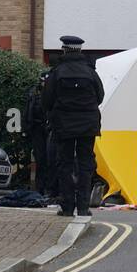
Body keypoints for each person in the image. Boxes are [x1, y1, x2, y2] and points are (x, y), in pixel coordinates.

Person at [43, 35, 103, 217]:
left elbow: (46, 100)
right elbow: (100, 96)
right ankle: (84, 208)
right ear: (80, 50)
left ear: (64, 49)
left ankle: (68, 207)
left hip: (64, 125)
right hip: (88, 125)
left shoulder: (57, 72)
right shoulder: (90, 72)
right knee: (86, 165)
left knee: (65, 165)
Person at [25, 69, 53, 197]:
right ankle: (39, 189)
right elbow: (28, 112)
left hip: (51, 129)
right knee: (40, 160)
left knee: (51, 159)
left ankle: (50, 189)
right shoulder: (33, 93)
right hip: (37, 129)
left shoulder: (55, 93)